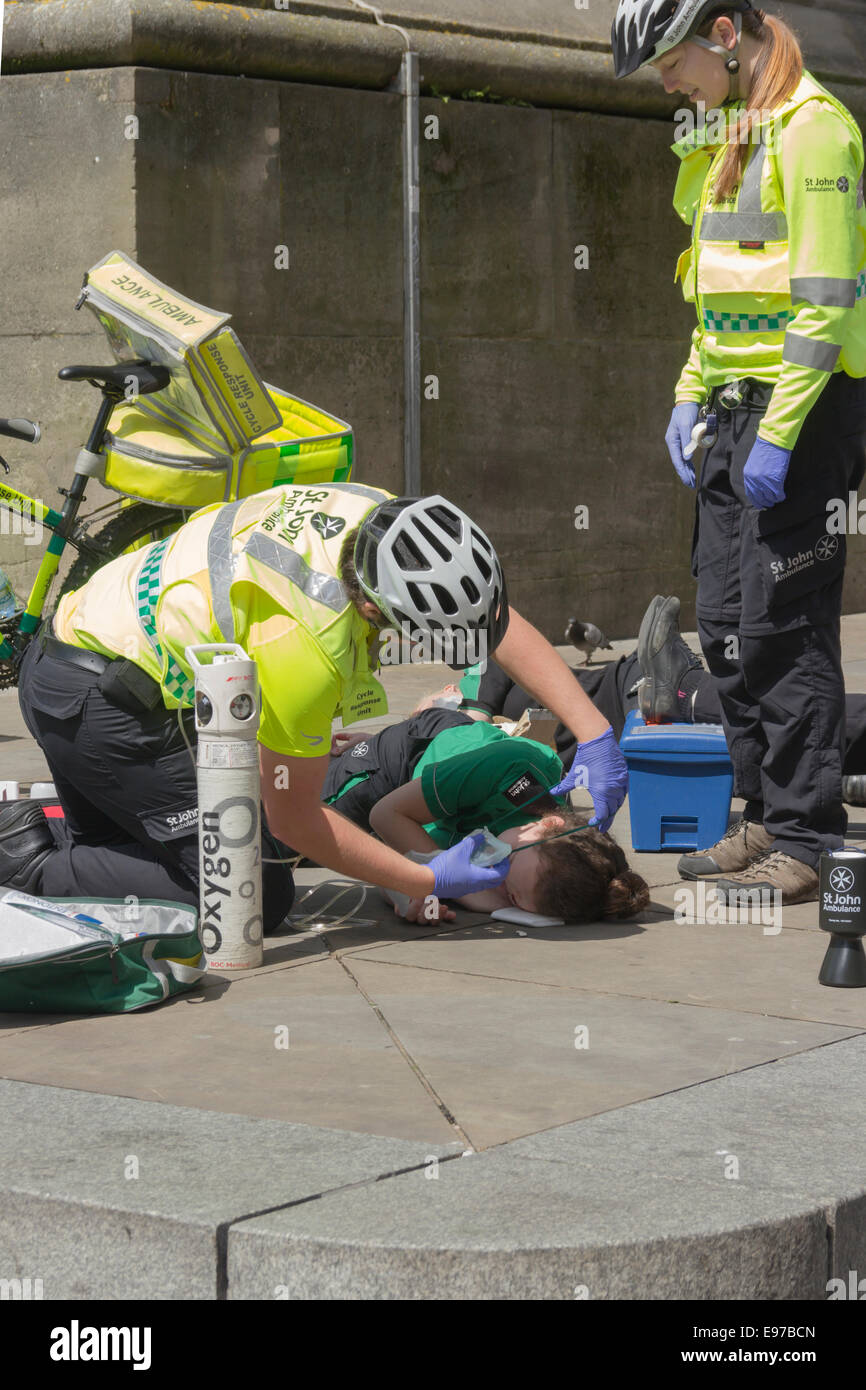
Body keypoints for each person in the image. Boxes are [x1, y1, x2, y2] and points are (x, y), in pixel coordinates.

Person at [0, 484, 629, 929]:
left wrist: (594, 731)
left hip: (87, 659)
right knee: (250, 895)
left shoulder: (379, 521)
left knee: (119, 857)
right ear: (379, 611)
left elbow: (485, 615)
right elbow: (295, 821)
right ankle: (17, 861)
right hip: (101, 705)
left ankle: (41, 841)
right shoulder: (307, 649)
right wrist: (426, 880)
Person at [612, 2, 866, 903]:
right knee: (722, 627)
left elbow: (827, 300)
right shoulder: (726, 138)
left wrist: (783, 432)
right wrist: (689, 396)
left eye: (670, 63)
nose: (667, 85)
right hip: (730, 408)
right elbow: (720, 305)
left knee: (785, 630)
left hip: (801, 412)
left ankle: (806, 833)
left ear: (725, 33)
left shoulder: (815, 133)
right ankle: (761, 808)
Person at [324, 713, 649, 922]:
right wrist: (448, 887)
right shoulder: (515, 772)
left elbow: (393, 855)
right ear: (547, 824)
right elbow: (386, 815)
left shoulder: (523, 852)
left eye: (509, 897)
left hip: (446, 779)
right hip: (414, 758)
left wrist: (406, 894)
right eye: (506, 876)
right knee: (299, 827)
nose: (496, 880)